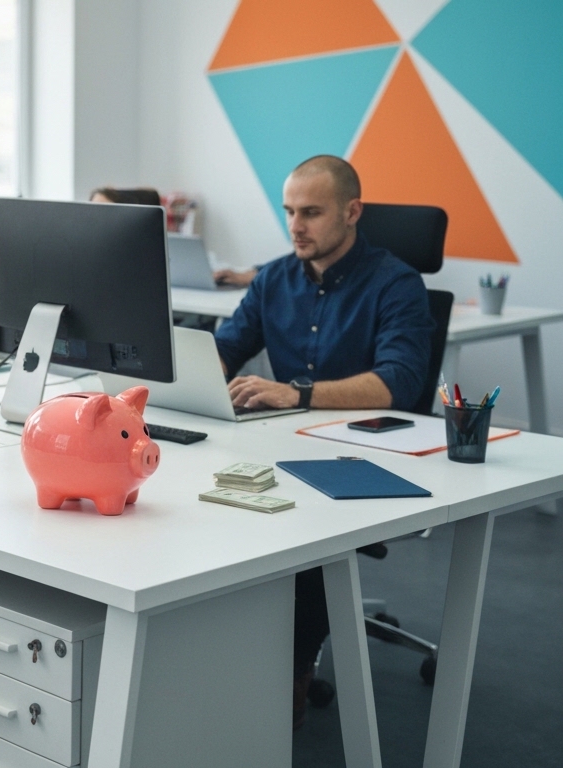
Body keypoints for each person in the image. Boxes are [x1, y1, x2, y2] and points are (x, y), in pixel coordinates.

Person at [213, 155, 434, 727]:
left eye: (311, 212)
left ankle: (285, 684)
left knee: (300, 530)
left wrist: (298, 393)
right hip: (282, 446)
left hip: (367, 455)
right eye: (289, 212)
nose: (296, 226)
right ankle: (218, 658)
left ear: (352, 211)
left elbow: (400, 381)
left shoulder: (397, 284)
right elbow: (224, 350)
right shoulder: (274, 279)